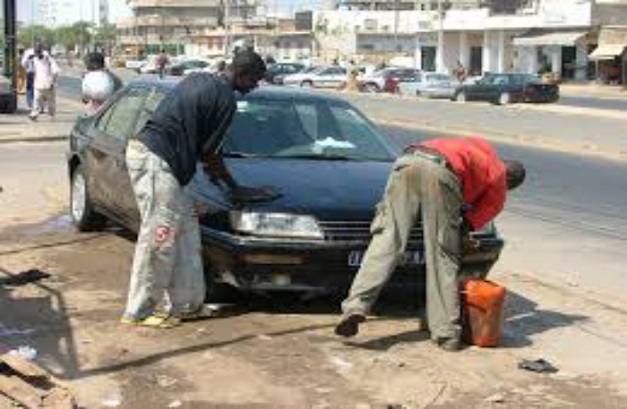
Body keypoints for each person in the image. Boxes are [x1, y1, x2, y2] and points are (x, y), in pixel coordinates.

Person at [121, 50, 275, 328]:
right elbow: (209, 154)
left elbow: (199, 146)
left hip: (168, 164)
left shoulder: (201, 78)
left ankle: (187, 305)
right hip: (158, 161)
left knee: (187, 233)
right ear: (242, 74)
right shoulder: (225, 99)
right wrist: (235, 188)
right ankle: (139, 311)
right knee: (159, 237)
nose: (255, 87)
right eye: (255, 80)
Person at [334, 137, 526, 351]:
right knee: (443, 256)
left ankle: (355, 306)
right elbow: (468, 223)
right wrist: (460, 239)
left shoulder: (480, 149)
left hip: (407, 161)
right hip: (441, 173)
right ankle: (446, 333)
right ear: (510, 181)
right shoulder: (499, 180)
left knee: (387, 240)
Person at [28, 44, 60, 121]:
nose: (37, 54)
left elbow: (56, 71)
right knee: (37, 100)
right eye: (36, 52)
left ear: (41, 52)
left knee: (51, 101)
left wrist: (53, 82)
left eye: (38, 52)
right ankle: (34, 114)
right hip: (38, 84)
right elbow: (32, 70)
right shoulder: (34, 59)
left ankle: (52, 114)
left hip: (49, 84)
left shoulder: (49, 59)